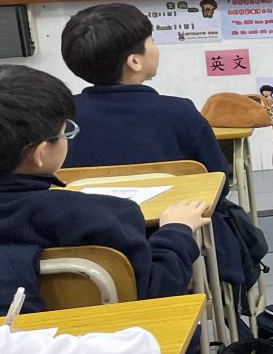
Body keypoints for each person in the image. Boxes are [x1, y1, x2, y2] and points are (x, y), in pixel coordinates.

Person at [60, 2, 261, 294]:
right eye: (151, 41)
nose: (155, 48)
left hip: (89, 255)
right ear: (135, 61)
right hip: (176, 246)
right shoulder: (179, 113)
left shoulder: (60, 122)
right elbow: (217, 184)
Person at [0, 65, 209, 312]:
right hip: (104, 334)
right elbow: (157, 290)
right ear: (41, 153)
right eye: (66, 132)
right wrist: (176, 231)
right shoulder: (95, 217)